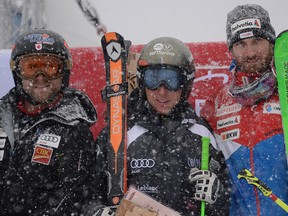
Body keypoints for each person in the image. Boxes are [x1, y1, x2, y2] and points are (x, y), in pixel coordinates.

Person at [92, 37, 230, 215]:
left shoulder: (201, 132)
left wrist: (217, 193)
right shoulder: (119, 131)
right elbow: (88, 191)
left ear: (185, 83)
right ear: (142, 82)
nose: (162, 91)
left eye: (171, 81)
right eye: (153, 79)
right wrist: (96, 211)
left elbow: (226, 200)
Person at [200, 4, 288, 216]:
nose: (250, 52)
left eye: (257, 41)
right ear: (231, 50)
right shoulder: (217, 103)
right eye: (241, 44)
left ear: (271, 43)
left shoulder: (285, 92)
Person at [0, 29, 97, 215]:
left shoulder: (74, 129)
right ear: (17, 71)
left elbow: (76, 198)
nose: (40, 77)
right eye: (31, 67)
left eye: (50, 66)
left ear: (64, 71)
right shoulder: (2, 117)